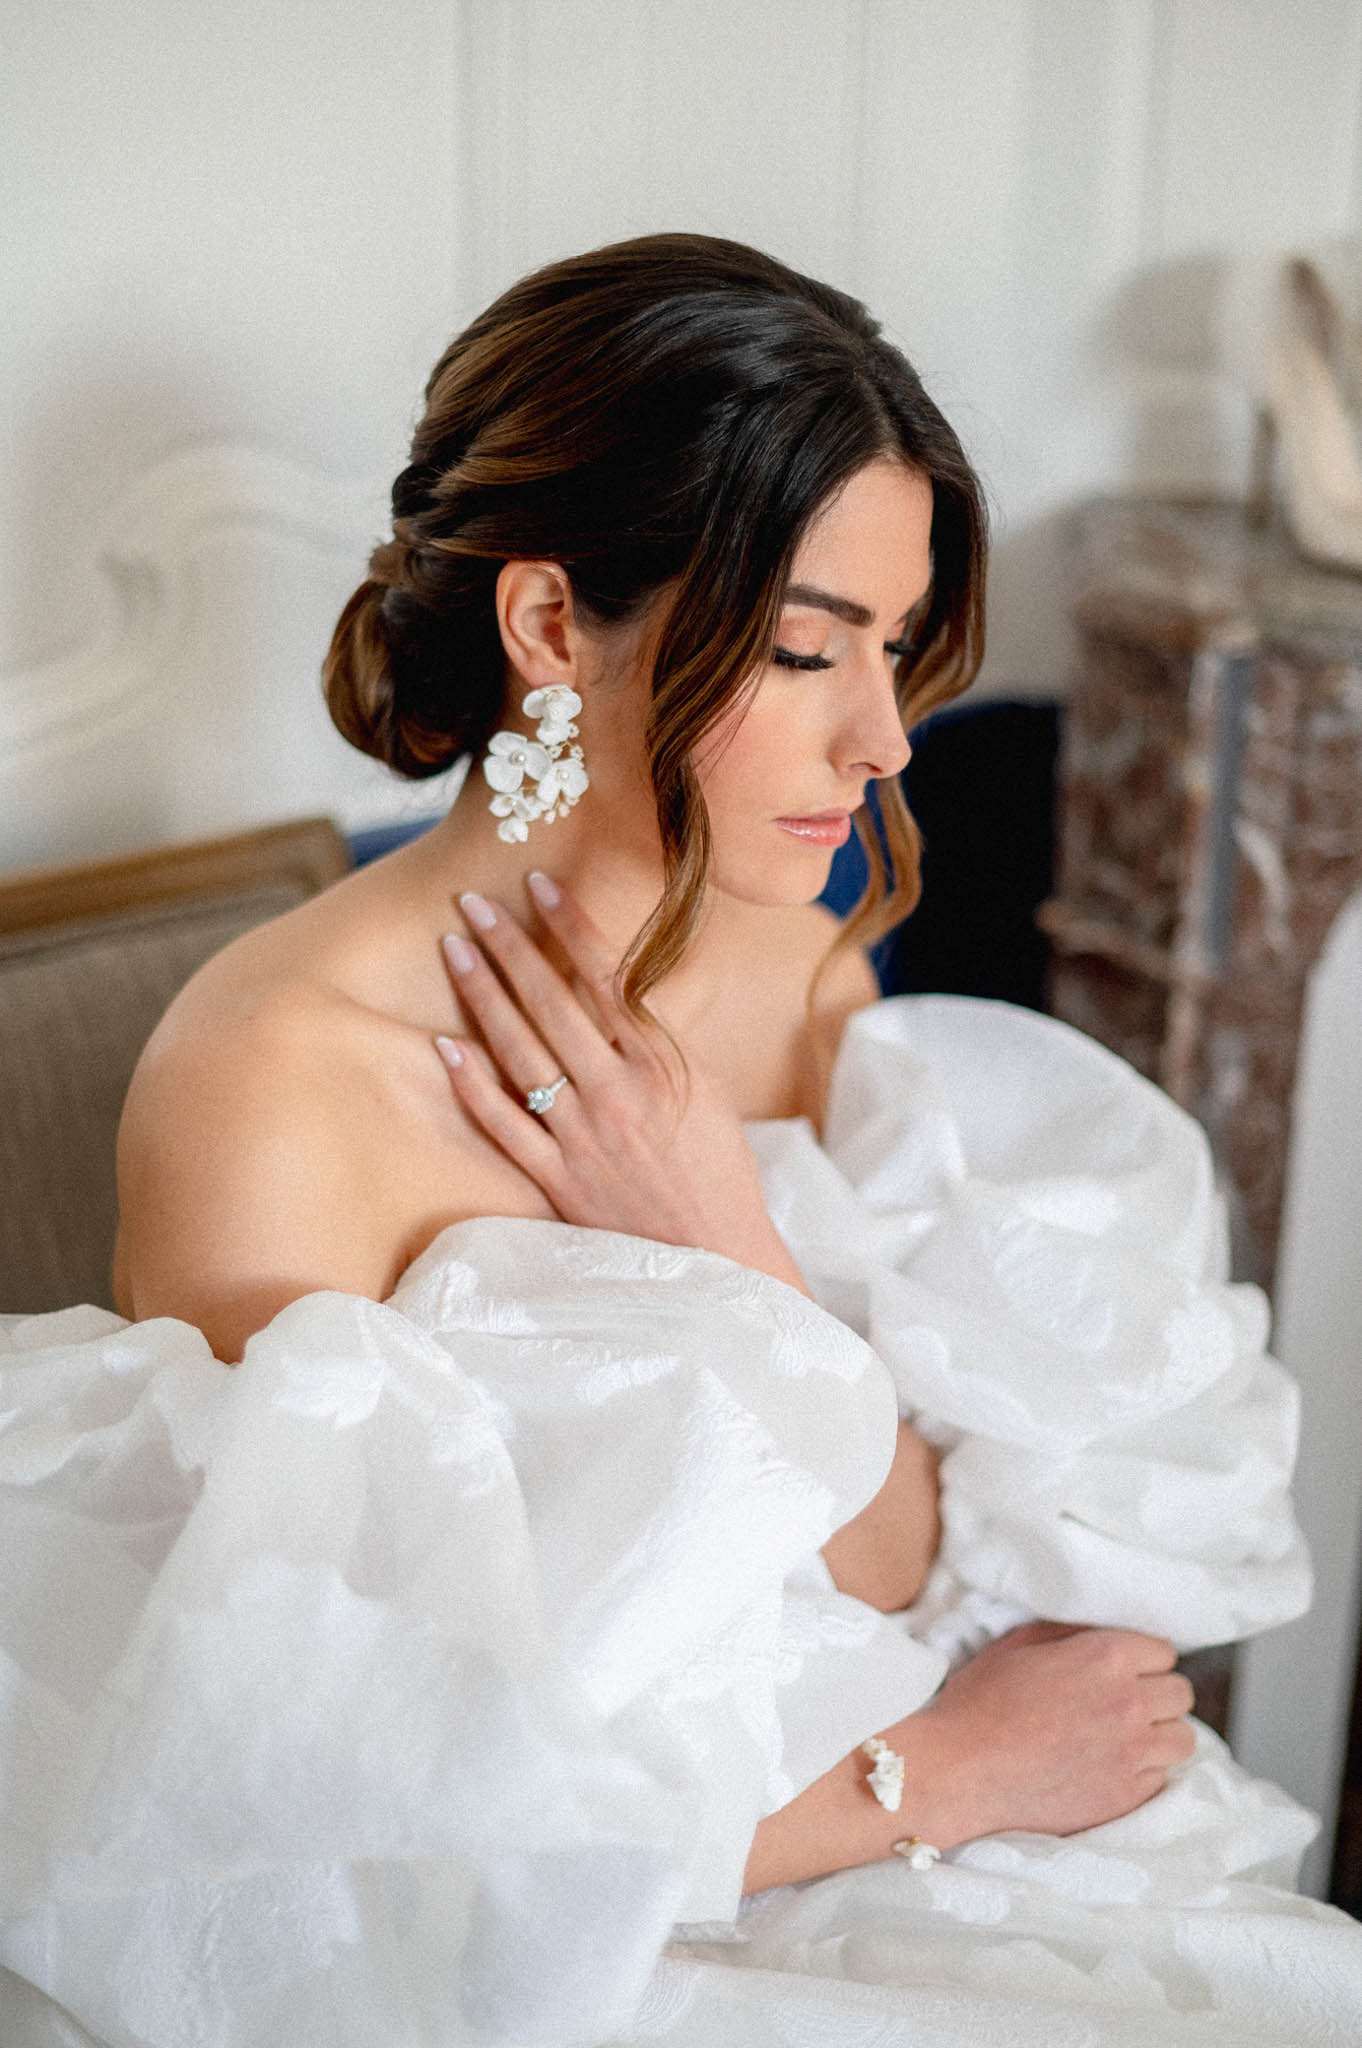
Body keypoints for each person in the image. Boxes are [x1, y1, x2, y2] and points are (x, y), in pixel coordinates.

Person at [3, 230, 1362, 2046]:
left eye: (892, 650)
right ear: (550, 627)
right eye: (805, 650)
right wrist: (931, 1778)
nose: (883, 739)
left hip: (879, 1789)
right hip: (573, 1953)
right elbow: (315, 1833)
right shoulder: (272, 1090)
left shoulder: (800, 970)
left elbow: (889, 1564)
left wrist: (722, 1237)